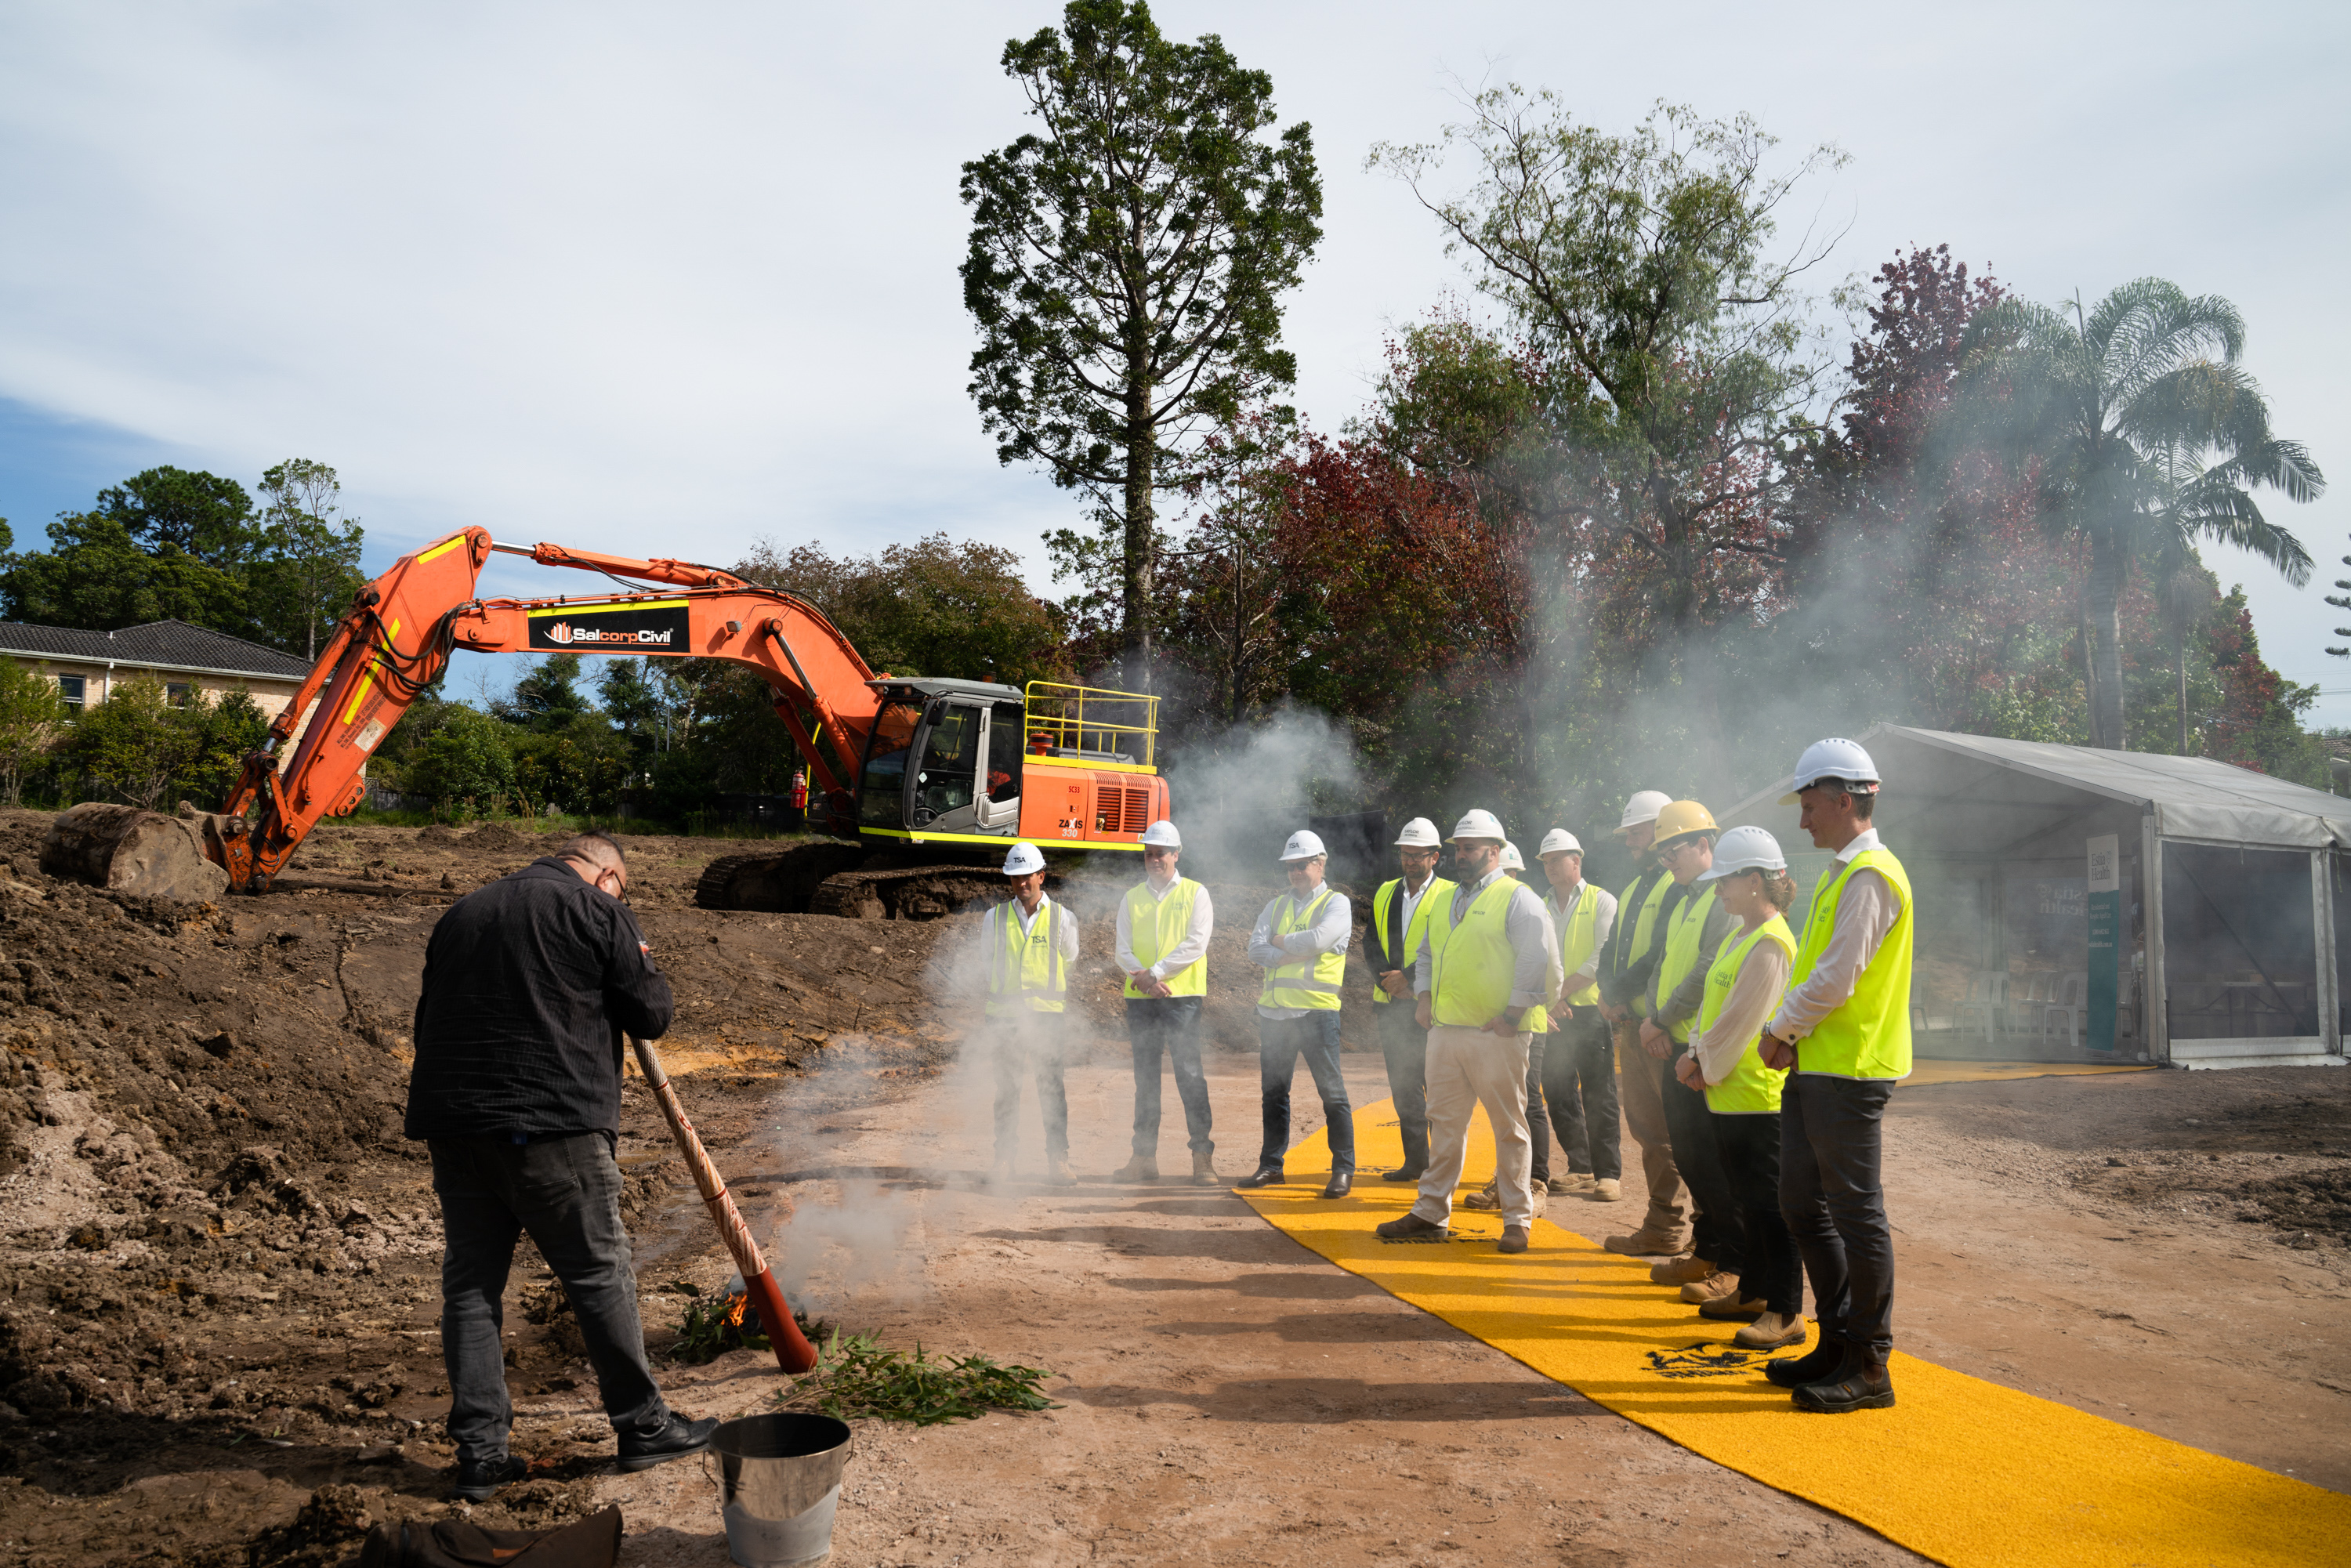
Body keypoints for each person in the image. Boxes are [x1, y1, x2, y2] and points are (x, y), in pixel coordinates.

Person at [405, 831, 712, 1501]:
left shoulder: (465, 911)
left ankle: (482, 1456)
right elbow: (652, 1014)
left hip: (454, 1123)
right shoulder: (597, 909)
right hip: (553, 1120)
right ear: (608, 876)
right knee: (599, 1273)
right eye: (623, 890)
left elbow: (426, 1021)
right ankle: (644, 1424)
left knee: (470, 1287)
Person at [1756, 739, 1913, 1414]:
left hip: (1849, 1071)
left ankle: (1870, 1363)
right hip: (1820, 1066)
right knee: (1802, 1204)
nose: (1803, 821)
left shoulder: (1871, 873)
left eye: (1811, 805)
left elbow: (1836, 976)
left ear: (1846, 801)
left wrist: (1780, 1029)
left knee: (1856, 1215)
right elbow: (1821, 972)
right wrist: (1794, 1035)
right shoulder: (1844, 871)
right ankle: (1839, 1340)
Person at [1375, 810, 1559, 1255]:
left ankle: (1517, 1219)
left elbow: (1542, 962)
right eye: (1458, 848)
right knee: (1445, 1123)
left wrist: (1513, 1015)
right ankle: (1430, 1212)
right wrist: (1423, 998)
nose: (1461, 855)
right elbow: (1427, 952)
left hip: (1497, 1033)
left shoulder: (1519, 898)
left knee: (1509, 1127)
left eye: (1470, 848)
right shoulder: (1446, 900)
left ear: (1494, 851)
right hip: (1446, 1030)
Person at [1674, 825, 1805, 1351]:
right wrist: (1695, 1050)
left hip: (1756, 1095)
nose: (1718, 889)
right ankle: (1753, 1291)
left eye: (1725, 879)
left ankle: (1786, 1309)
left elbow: (1744, 1021)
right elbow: (1713, 1010)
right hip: (1729, 1090)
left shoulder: (1772, 941)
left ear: (1755, 880)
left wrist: (1700, 1061)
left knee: (1772, 1207)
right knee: (1748, 1201)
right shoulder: (1740, 933)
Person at [1639, 801, 1742, 1307]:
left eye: (1672, 851)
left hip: (1704, 1048)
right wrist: (1656, 1015)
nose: (1667, 862)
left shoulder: (1721, 900)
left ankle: (1732, 1265)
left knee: (1716, 1162)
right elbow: (1663, 962)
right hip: (1676, 1041)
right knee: (1692, 1156)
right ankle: (1707, 1248)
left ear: (1705, 844)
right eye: (1661, 855)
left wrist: (1660, 1018)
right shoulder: (1683, 899)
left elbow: (1707, 970)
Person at [1596, 791, 1689, 1257]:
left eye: (1636, 831)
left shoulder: (1677, 886)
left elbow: (1660, 955)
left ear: (1661, 829)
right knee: (1648, 1129)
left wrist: (1615, 995)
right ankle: (1663, 1225)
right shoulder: (1634, 888)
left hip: (1659, 1028)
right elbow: (1611, 950)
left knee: (1676, 1132)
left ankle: (1694, 1232)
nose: (1630, 840)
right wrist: (1606, 991)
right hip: (1633, 1026)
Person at [1239, 831, 1355, 1197]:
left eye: (1301, 865)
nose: (1295, 872)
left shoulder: (1336, 904)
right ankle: (1271, 1166)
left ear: (1320, 864)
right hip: (1274, 1015)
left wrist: (1278, 942)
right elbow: (1254, 949)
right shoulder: (1275, 906)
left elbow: (1320, 941)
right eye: (1290, 867)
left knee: (1333, 1096)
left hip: (1316, 1013)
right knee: (1273, 1095)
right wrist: (1287, 952)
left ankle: (1343, 1170)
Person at [1114, 819, 1217, 1186]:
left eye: (1161, 853)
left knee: (1189, 1075)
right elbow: (1121, 949)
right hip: (1142, 999)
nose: (1154, 859)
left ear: (1176, 854)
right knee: (1146, 1081)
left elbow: (1196, 943)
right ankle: (1143, 1159)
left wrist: (1154, 974)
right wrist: (1145, 979)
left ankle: (1202, 1159)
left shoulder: (1195, 893)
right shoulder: (1131, 898)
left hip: (1182, 999)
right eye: (1149, 854)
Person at [979, 842, 1079, 1186]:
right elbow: (985, 961)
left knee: (1052, 1089)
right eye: (1015, 877)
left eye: (1028, 877)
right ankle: (1004, 1160)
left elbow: (1069, 958)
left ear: (1042, 876)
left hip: (1046, 1017)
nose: (1022, 884)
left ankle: (1059, 1161)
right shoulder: (994, 918)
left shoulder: (1063, 918)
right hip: (1004, 1018)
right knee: (1006, 1090)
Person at [1364, 817, 1452, 1182]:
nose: (1410, 861)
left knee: (1439, 1089)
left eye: (1418, 855)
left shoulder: (1450, 893)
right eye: (1405, 854)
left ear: (1435, 857)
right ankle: (1416, 1161)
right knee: (1404, 1087)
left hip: (1429, 1005)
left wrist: (1409, 979)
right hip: (1391, 1004)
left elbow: (1447, 946)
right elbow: (1370, 942)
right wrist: (1388, 982)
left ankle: (1443, 1165)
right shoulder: (1386, 891)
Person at [1538, 830, 1621, 1200]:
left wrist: (1557, 993)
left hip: (1588, 1011)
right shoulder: (1538, 905)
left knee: (1599, 1092)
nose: (1551, 866)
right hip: (1553, 1012)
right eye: (1546, 860)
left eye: (1558, 858)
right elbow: (1532, 957)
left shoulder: (1602, 901)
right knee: (1558, 1092)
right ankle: (1581, 1167)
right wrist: (1548, 1000)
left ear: (1578, 860)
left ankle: (1608, 1174)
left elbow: (1600, 957)